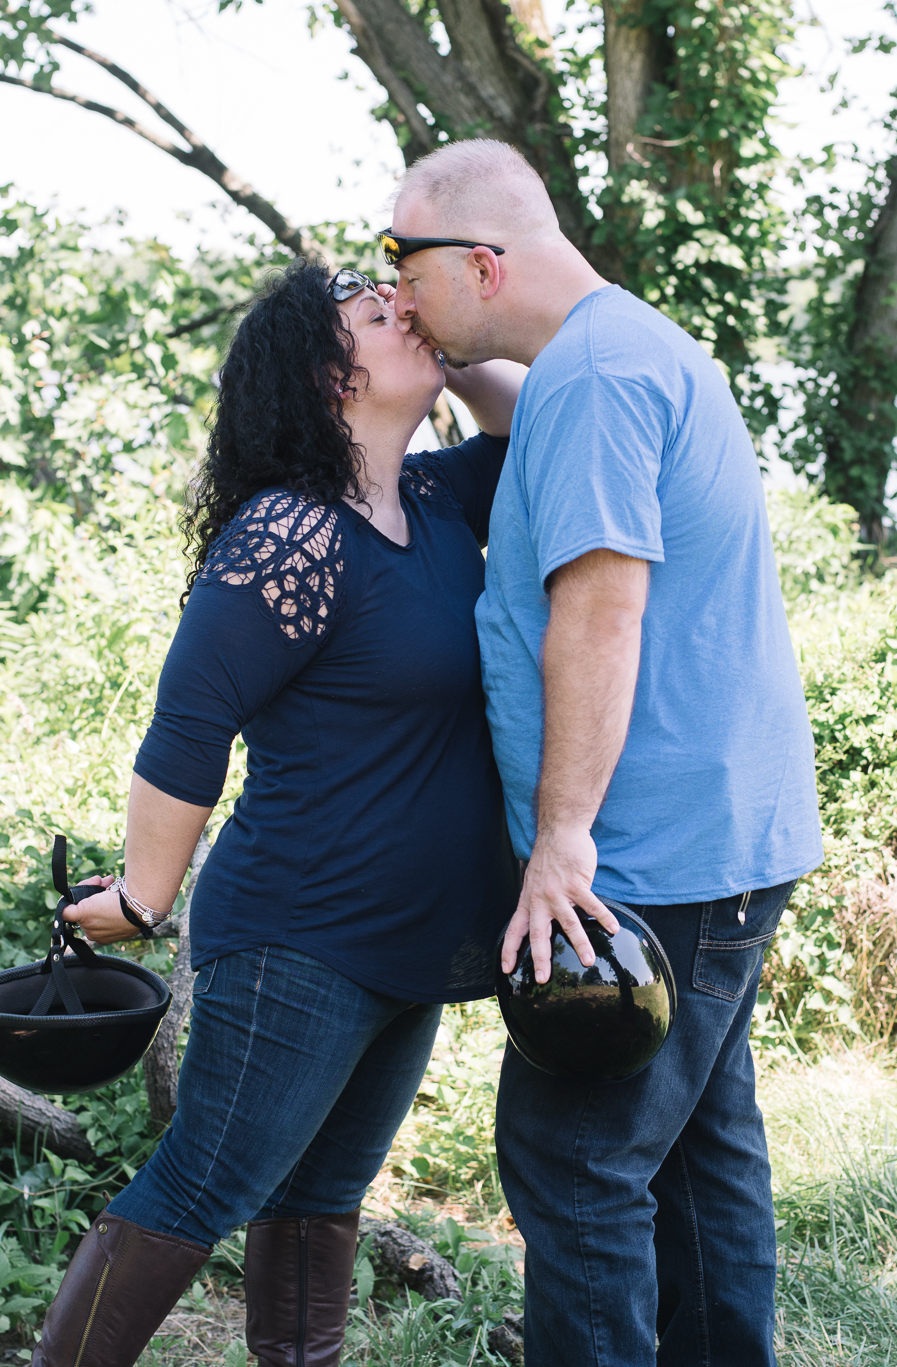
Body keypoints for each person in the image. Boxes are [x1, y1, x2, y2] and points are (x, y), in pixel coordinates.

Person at [28, 259, 525, 1367]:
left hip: (406, 942)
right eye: (373, 315)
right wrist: (144, 895)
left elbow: (531, 417)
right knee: (208, 1177)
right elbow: (191, 717)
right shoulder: (289, 535)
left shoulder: (440, 501)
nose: (402, 315)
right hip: (301, 935)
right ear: (327, 375)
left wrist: (457, 323)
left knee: (320, 1192)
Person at [388, 140, 824, 1366]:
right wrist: (470, 376)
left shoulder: (593, 381)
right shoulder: (618, 350)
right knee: (692, 1154)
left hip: (645, 852)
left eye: (399, 263)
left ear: (479, 263)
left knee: (573, 1158)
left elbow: (601, 607)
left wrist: (561, 839)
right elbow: (545, 433)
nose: (392, 291)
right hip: (723, 833)